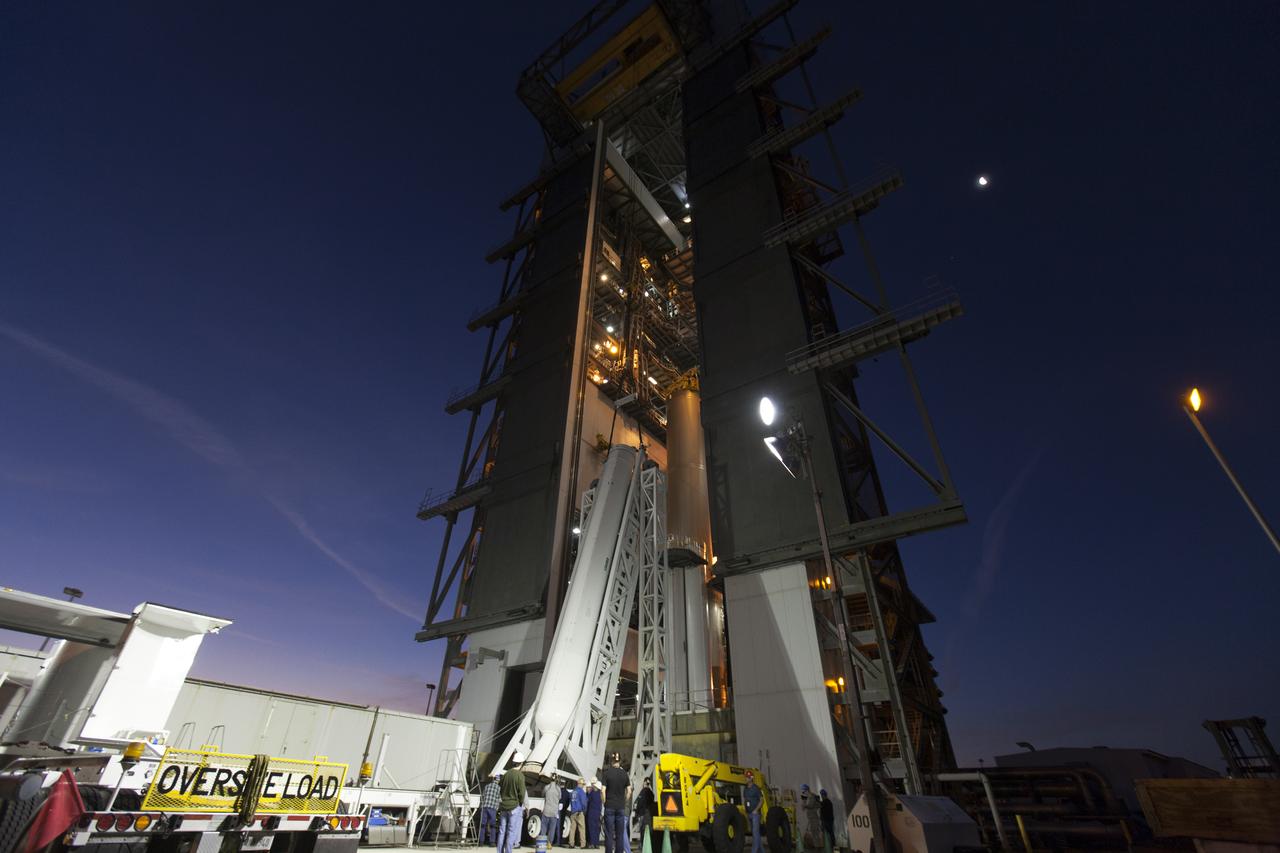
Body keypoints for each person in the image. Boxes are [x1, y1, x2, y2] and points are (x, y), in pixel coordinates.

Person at [497, 752, 528, 853]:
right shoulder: (520, 776)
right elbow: (522, 793)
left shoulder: (506, 774)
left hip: (504, 806)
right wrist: (520, 803)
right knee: (511, 832)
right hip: (514, 806)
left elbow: (500, 787)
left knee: (502, 832)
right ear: (521, 763)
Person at [601, 752, 632, 853]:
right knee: (620, 834)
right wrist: (624, 800)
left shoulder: (607, 773)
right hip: (620, 807)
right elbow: (629, 791)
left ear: (611, 760)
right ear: (619, 761)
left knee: (609, 834)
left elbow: (603, 790)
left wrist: (604, 802)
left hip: (609, 806)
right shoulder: (624, 774)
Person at [744, 771, 763, 853]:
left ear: (751, 778)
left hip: (755, 814)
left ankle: (753, 851)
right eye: (746, 777)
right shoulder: (745, 789)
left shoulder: (756, 788)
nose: (746, 778)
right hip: (749, 814)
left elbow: (762, 801)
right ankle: (761, 851)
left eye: (748, 777)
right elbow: (745, 800)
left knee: (755, 834)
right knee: (756, 834)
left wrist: (755, 810)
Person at [479, 773, 501, 845]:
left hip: (484, 807)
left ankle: (481, 841)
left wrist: (481, 806)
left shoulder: (487, 786)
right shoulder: (498, 788)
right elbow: (500, 799)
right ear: (498, 780)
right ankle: (492, 842)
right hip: (492, 808)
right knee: (492, 825)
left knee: (483, 825)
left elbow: (482, 796)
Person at [633, 779, 655, 847]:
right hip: (649, 814)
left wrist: (637, 812)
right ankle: (647, 845)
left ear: (644, 783)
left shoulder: (643, 791)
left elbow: (640, 803)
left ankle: (642, 845)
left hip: (642, 813)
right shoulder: (651, 793)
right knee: (648, 831)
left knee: (642, 831)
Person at [799, 785, 822, 851]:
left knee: (815, 832)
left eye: (804, 791)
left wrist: (805, 805)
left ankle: (817, 847)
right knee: (813, 832)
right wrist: (804, 802)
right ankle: (816, 846)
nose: (803, 793)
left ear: (807, 790)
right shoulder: (807, 797)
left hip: (814, 818)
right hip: (811, 818)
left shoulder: (812, 796)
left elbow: (811, 805)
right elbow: (805, 807)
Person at [567, 779, 589, 848]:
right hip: (579, 812)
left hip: (573, 812)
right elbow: (584, 803)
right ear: (580, 784)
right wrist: (584, 811)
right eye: (583, 784)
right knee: (582, 828)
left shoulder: (573, 791)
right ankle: (583, 844)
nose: (583, 786)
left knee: (572, 829)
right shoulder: (581, 792)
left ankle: (571, 843)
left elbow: (571, 801)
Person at [543, 777, 562, 847]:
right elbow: (560, 797)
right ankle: (549, 843)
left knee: (544, 828)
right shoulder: (558, 789)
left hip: (546, 810)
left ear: (550, 779)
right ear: (556, 780)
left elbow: (543, 794)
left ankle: (542, 842)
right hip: (554, 811)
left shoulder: (546, 787)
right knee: (552, 829)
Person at [586, 779, 603, 848]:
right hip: (598, 813)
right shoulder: (600, 794)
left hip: (591, 813)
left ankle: (592, 843)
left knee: (591, 828)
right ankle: (597, 844)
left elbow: (587, 801)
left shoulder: (592, 793)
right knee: (597, 828)